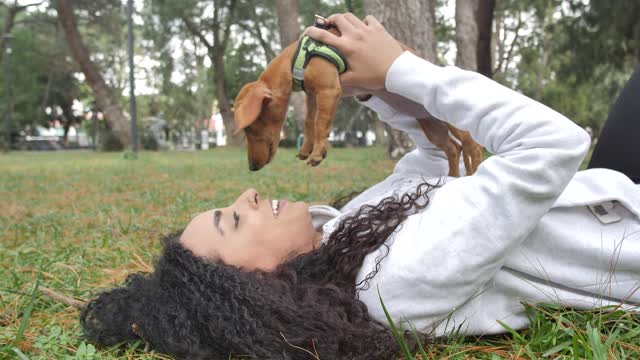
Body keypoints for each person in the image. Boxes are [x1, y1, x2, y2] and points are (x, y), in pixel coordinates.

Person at [79, 14, 640, 360]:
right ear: (257, 282)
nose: (245, 196)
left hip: (611, 192)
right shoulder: (392, 280)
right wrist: (403, 69)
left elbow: (431, 164)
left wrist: (372, 88)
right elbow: (554, 143)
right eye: (232, 219)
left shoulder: (345, 245)